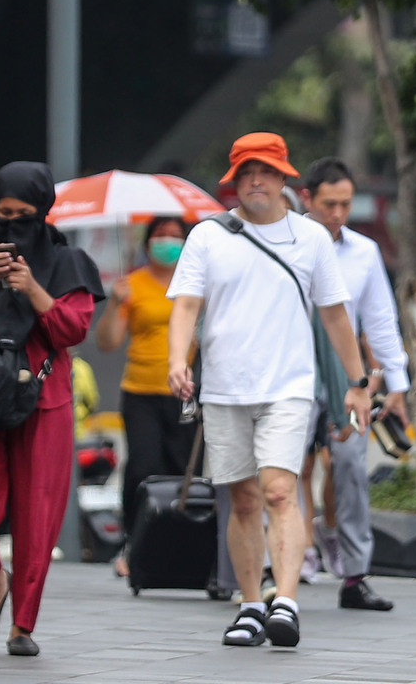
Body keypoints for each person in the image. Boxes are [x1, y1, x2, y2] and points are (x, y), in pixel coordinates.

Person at [166, 132, 372, 648]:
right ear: (234, 181)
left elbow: (334, 315)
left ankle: (286, 602)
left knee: (280, 490)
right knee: (241, 499)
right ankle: (250, 604)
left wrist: (357, 382)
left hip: (289, 387)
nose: (256, 181)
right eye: (246, 173)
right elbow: (186, 304)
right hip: (224, 389)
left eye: (266, 171)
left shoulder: (311, 239)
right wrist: (176, 359)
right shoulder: (208, 236)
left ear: (285, 179)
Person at [0, 161, 104, 657]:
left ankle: (22, 625)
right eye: (3, 214)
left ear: (43, 212)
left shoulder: (67, 262)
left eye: (24, 215)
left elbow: (73, 329)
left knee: (37, 518)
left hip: (43, 400)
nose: (12, 226)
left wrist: (30, 286)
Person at [299, 157, 410, 611]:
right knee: (290, 470)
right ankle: (289, 561)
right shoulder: (287, 243)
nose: (338, 213)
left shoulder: (363, 252)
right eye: (329, 203)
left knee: (349, 469)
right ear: (306, 198)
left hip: (350, 379)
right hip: (294, 373)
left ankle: (354, 575)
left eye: (346, 204)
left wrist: (395, 382)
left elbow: (381, 320)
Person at [94, 217, 194, 579]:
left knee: (185, 472)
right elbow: (107, 343)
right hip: (141, 392)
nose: (168, 242)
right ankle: (132, 544)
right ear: (147, 242)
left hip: (186, 393)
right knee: (141, 468)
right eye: (160, 235)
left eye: (175, 236)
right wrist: (114, 303)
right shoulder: (131, 284)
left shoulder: (195, 282)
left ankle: (179, 547)